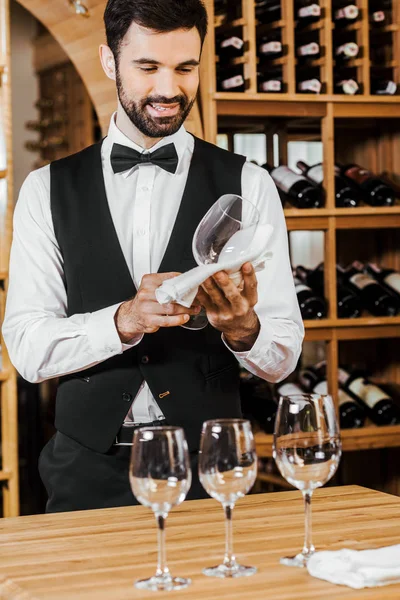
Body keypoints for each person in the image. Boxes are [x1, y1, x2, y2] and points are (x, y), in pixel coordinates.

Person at [2, 0, 303, 513]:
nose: (168, 88)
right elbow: (27, 350)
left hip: (211, 468)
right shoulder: (44, 189)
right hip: (86, 473)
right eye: (147, 67)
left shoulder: (249, 185)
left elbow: (284, 356)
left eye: (185, 68)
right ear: (109, 61)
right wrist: (123, 320)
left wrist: (242, 329)